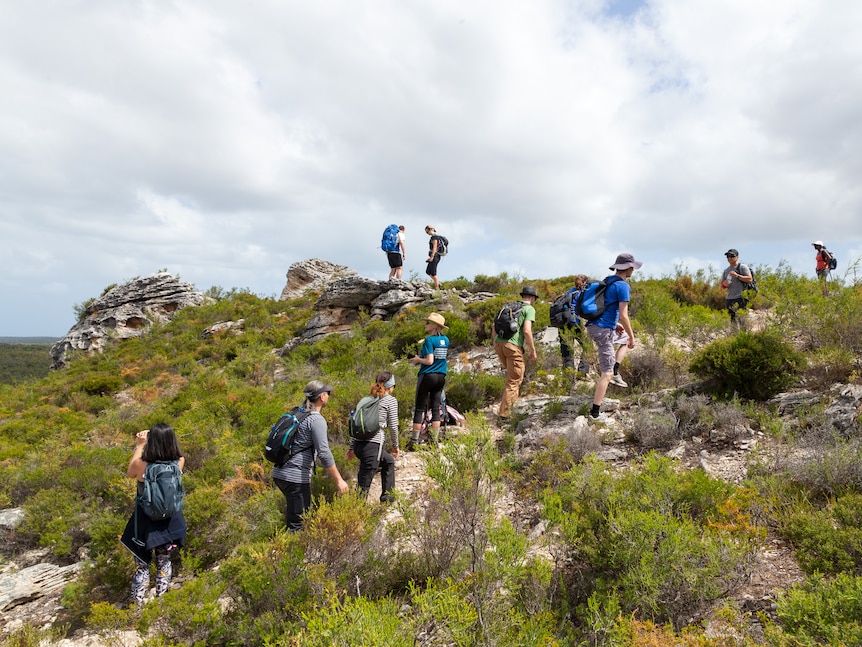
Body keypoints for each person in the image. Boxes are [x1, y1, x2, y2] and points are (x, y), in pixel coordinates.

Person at [121, 423, 186, 609]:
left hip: (145, 520)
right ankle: (162, 604)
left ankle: (136, 609)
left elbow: (130, 472)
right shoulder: (178, 462)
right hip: (169, 520)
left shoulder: (143, 464)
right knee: (164, 561)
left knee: (142, 564)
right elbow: (176, 456)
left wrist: (141, 444)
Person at [272, 381, 349, 531]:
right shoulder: (316, 419)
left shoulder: (298, 413)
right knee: (299, 524)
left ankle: (288, 547)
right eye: (327, 393)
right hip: (295, 477)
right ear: (322, 397)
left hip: (280, 472)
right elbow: (324, 453)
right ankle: (291, 552)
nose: (328, 396)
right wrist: (339, 480)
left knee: (297, 516)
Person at [586, 254, 642, 423]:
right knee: (606, 373)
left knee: (622, 339)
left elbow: (606, 306)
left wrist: (615, 323)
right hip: (603, 330)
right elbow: (624, 315)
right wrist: (632, 337)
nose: (633, 270)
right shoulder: (623, 286)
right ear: (629, 268)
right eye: (632, 267)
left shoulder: (609, 280)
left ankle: (616, 370)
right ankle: (595, 414)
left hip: (597, 325)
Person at [346, 372, 400, 502]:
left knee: (388, 462)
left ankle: (387, 498)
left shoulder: (367, 400)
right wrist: (395, 446)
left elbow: (358, 424)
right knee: (363, 486)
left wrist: (352, 447)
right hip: (372, 446)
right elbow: (393, 426)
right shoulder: (390, 400)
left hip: (360, 445)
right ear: (390, 386)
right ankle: (356, 514)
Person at [494, 285, 538, 423]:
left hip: (499, 344)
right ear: (532, 298)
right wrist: (533, 349)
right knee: (514, 380)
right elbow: (526, 331)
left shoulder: (508, 306)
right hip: (513, 346)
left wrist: (496, 343)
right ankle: (505, 416)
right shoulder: (529, 309)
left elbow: (493, 327)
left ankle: (505, 409)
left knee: (511, 378)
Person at [407, 313, 449, 449]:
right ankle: (434, 441)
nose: (426, 325)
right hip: (441, 376)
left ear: (434, 326)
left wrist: (418, 360)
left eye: (428, 323)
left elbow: (430, 360)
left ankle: (414, 441)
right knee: (436, 407)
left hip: (427, 375)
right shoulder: (446, 340)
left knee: (420, 408)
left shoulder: (429, 340)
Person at [559, 274, 591, 376]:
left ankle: (568, 379)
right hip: (576, 322)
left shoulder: (568, 293)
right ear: (585, 283)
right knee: (588, 346)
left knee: (567, 351)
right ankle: (582, 372)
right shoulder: (584, 293)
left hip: (564, 324)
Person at [720, 248, 754, 327]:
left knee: (742, 320)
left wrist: (737, 276)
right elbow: (722, 286)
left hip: (740, 297)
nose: (729, 258)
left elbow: (749, 279)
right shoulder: (726, 271)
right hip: (729, 298)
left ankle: (744, 337)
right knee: (732, 321)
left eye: (732, 256)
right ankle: (733, 336)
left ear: (737, 257)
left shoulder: (742, 267)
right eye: (728, 256)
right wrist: (725, 284)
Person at [424, 225, 445, 289]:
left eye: (427, 232)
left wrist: (432, 256)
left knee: (433, 272)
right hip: (435, 256)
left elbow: (435, 247)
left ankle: (437, 288)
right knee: (428, 271)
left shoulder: (434, 237)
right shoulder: (436, 237)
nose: (427, 234)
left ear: (430, 230)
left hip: (435, 256)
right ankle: (437, 283)